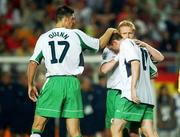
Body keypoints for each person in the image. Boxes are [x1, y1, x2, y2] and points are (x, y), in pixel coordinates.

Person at [27, 5, 115, 137]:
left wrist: (31, 84)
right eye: (73, 19)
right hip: (72, 84)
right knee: (74, 131)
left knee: (38, 126)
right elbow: (100, 44)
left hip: (53, 83)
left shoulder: (44, 37)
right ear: (66, 19)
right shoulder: (76, 34)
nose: (74, 22)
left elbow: (33, 63)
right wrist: (109, 30)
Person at [100, 33, 159, 137]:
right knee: (148, 131)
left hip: (131, 96)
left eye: (112, 48)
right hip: (147, 97)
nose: (113, 51)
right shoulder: (142, 49)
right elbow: (154, 73)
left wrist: (133, 89)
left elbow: (135, 63)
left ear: (114, 42)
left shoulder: (126, 44)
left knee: (115, 127)